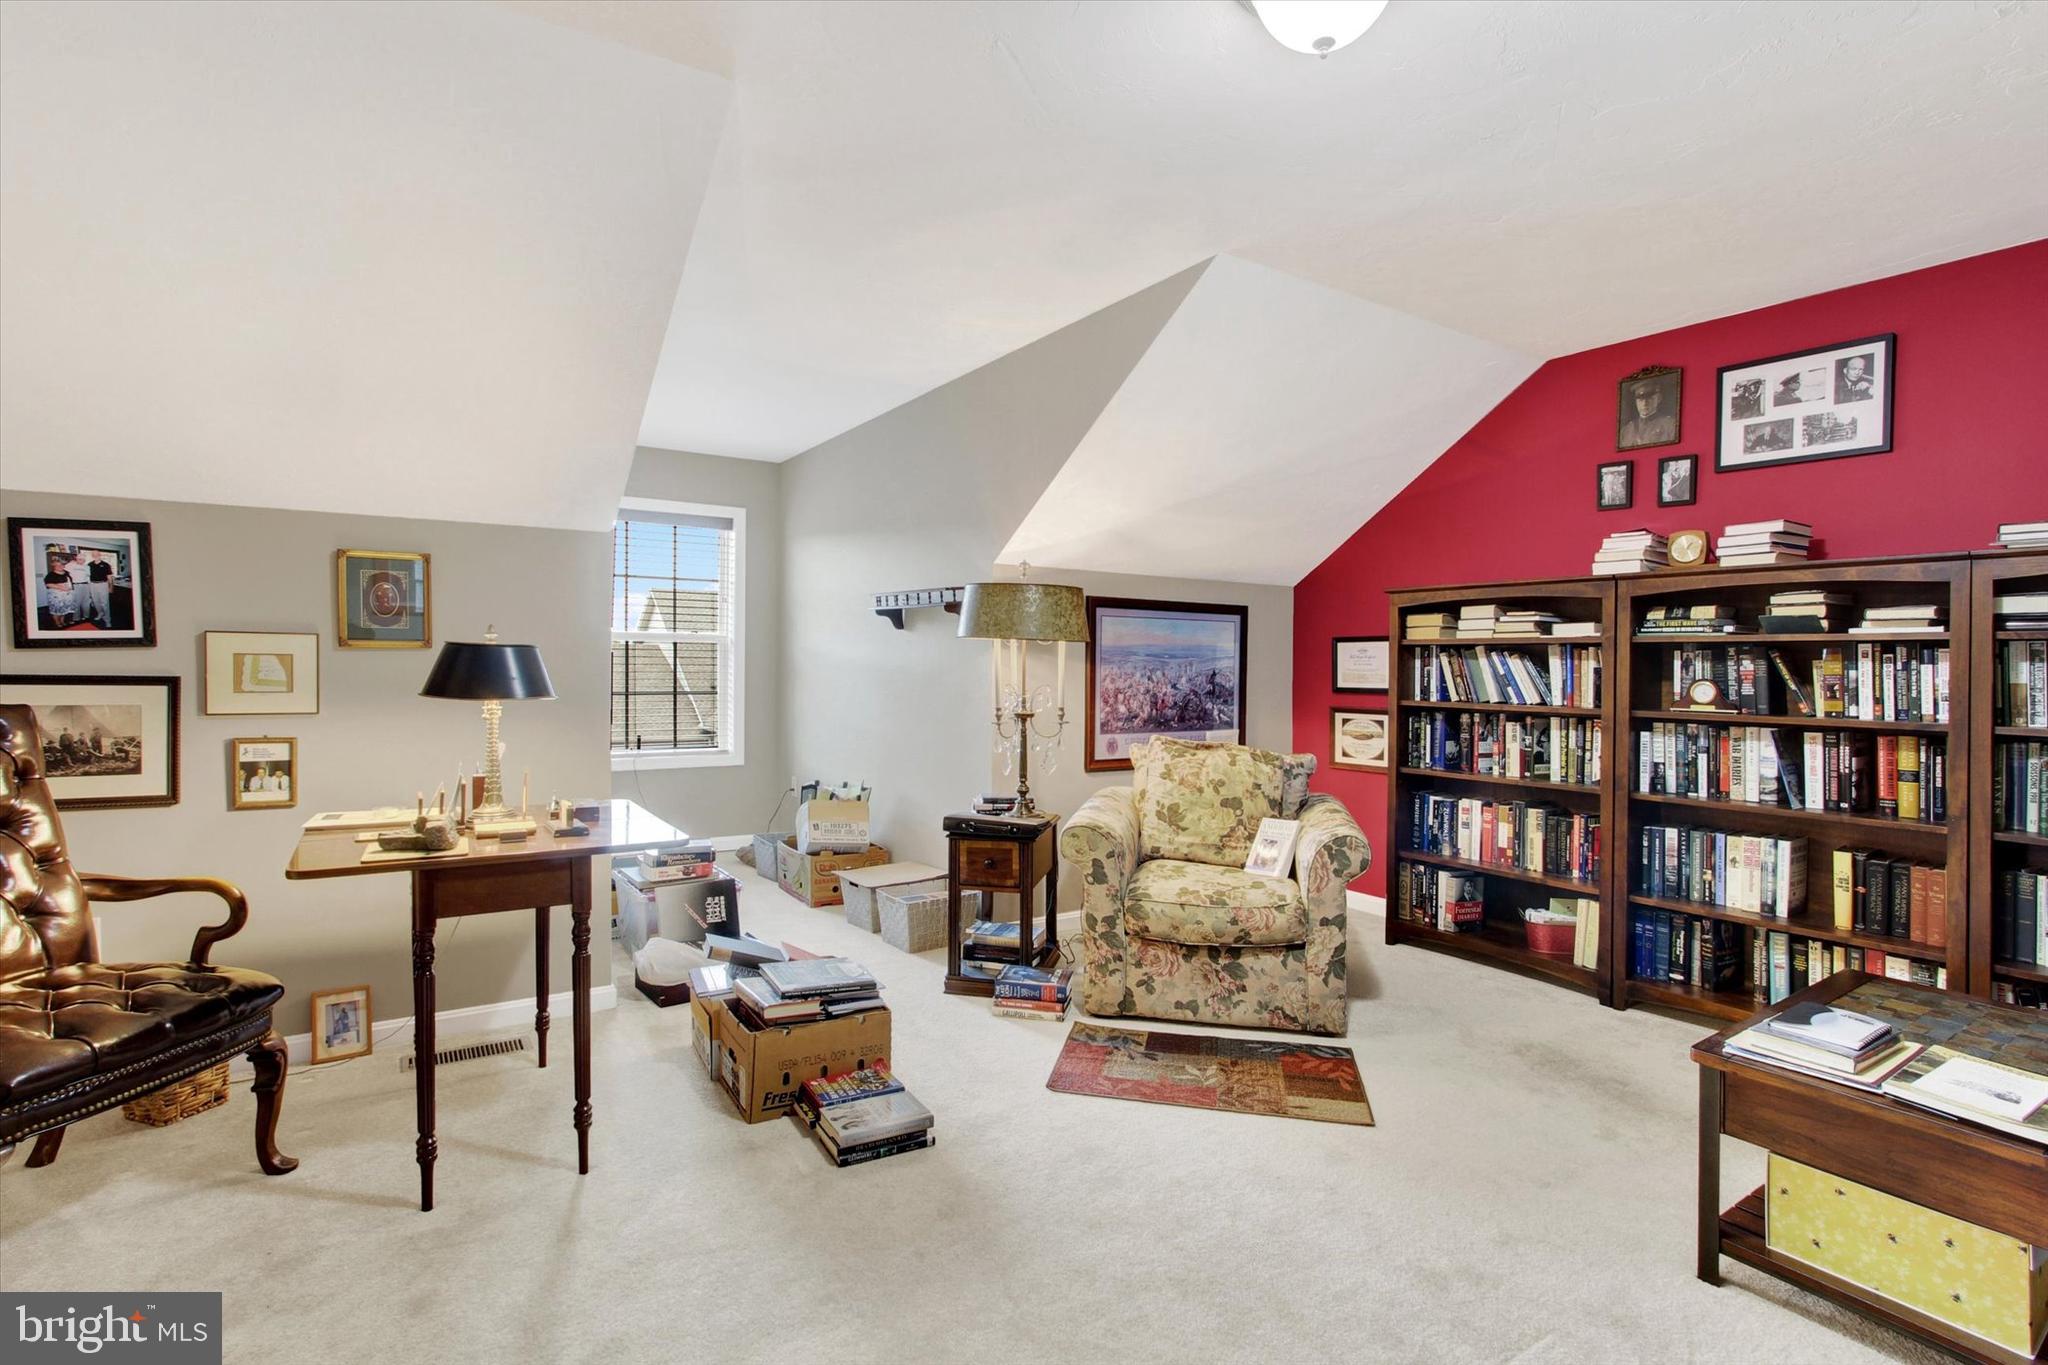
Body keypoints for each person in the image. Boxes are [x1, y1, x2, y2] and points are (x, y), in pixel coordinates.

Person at [1618, 378, 1676, 448]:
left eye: (1650, 398)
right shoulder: (1626, 430)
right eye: (1640, 399)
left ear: (1658, 399)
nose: (1645, 403)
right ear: (1636, 402)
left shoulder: (1670, 425)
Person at [40, 557, 79, 627]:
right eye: (57, 565)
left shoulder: (66, 573)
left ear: (64, 565)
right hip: (56, 596)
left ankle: (62, 621)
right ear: (54, 566)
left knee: (63, 609)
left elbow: (69, 582)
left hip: (66, 595)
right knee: (57, 610)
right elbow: (48, 584)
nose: (60, 566)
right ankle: (57, 622)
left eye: (61, 565)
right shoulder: (51, 574)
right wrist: (61, 587)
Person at [84, 550, 114, 627]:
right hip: (92, 585)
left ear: (100, 555)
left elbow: (109, 577)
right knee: (96, 602)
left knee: (104, 603)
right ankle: (100, 614)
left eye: (97, 554)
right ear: (92, 556)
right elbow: (87, 576)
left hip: (103, 585)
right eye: (93, 554)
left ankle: (107, 620)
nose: (95, 556)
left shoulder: (106, 565)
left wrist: (111, 587)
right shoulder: (89, 565)